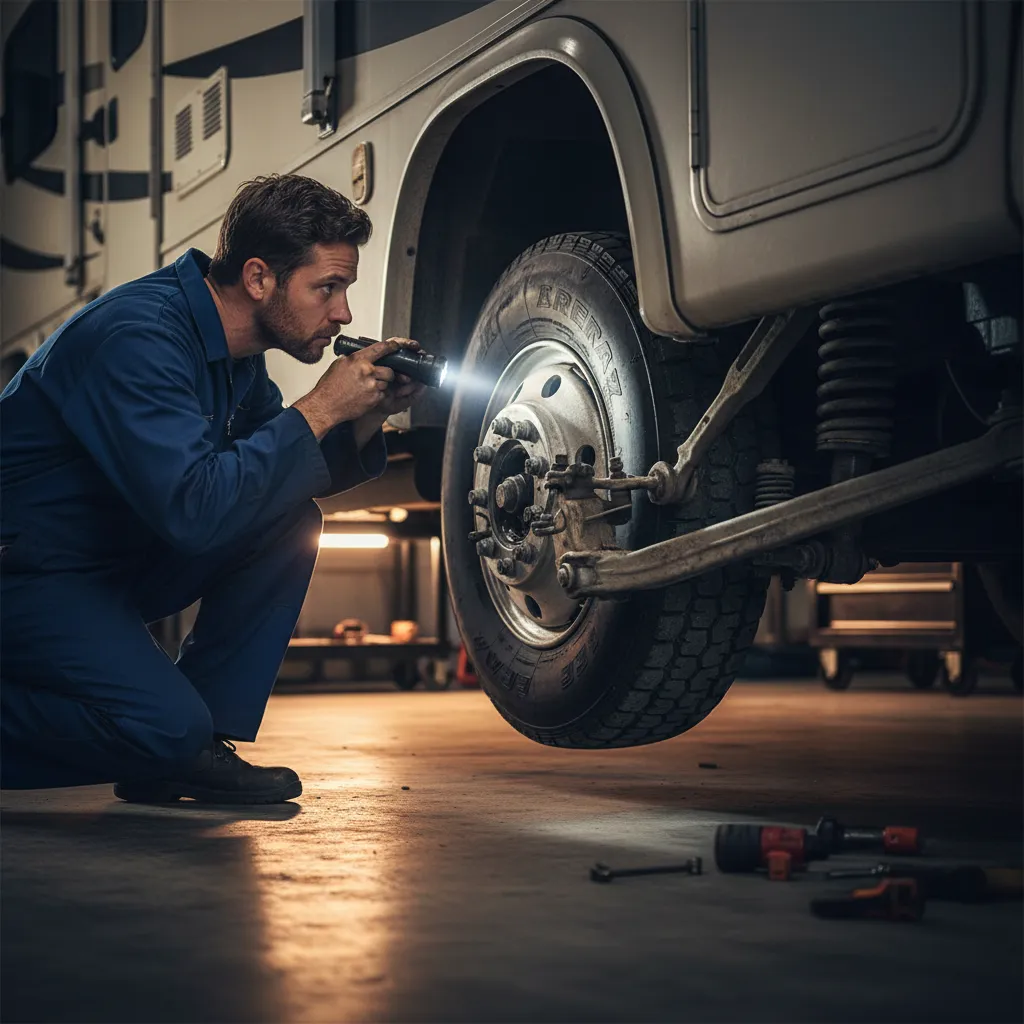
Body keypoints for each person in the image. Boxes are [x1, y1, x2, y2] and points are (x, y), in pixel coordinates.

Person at [0, 174, 424, 803]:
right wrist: (319, 407)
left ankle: (191, 754)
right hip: (27, 574)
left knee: (288, 521)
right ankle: (174, 745)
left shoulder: (235, 355)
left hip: (104, 560)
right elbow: (194, 512)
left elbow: (268, 478)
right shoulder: (138, 337)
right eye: (327, 288)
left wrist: (362, 416)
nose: (343, 314)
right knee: (161, 728)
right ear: (258, 278)